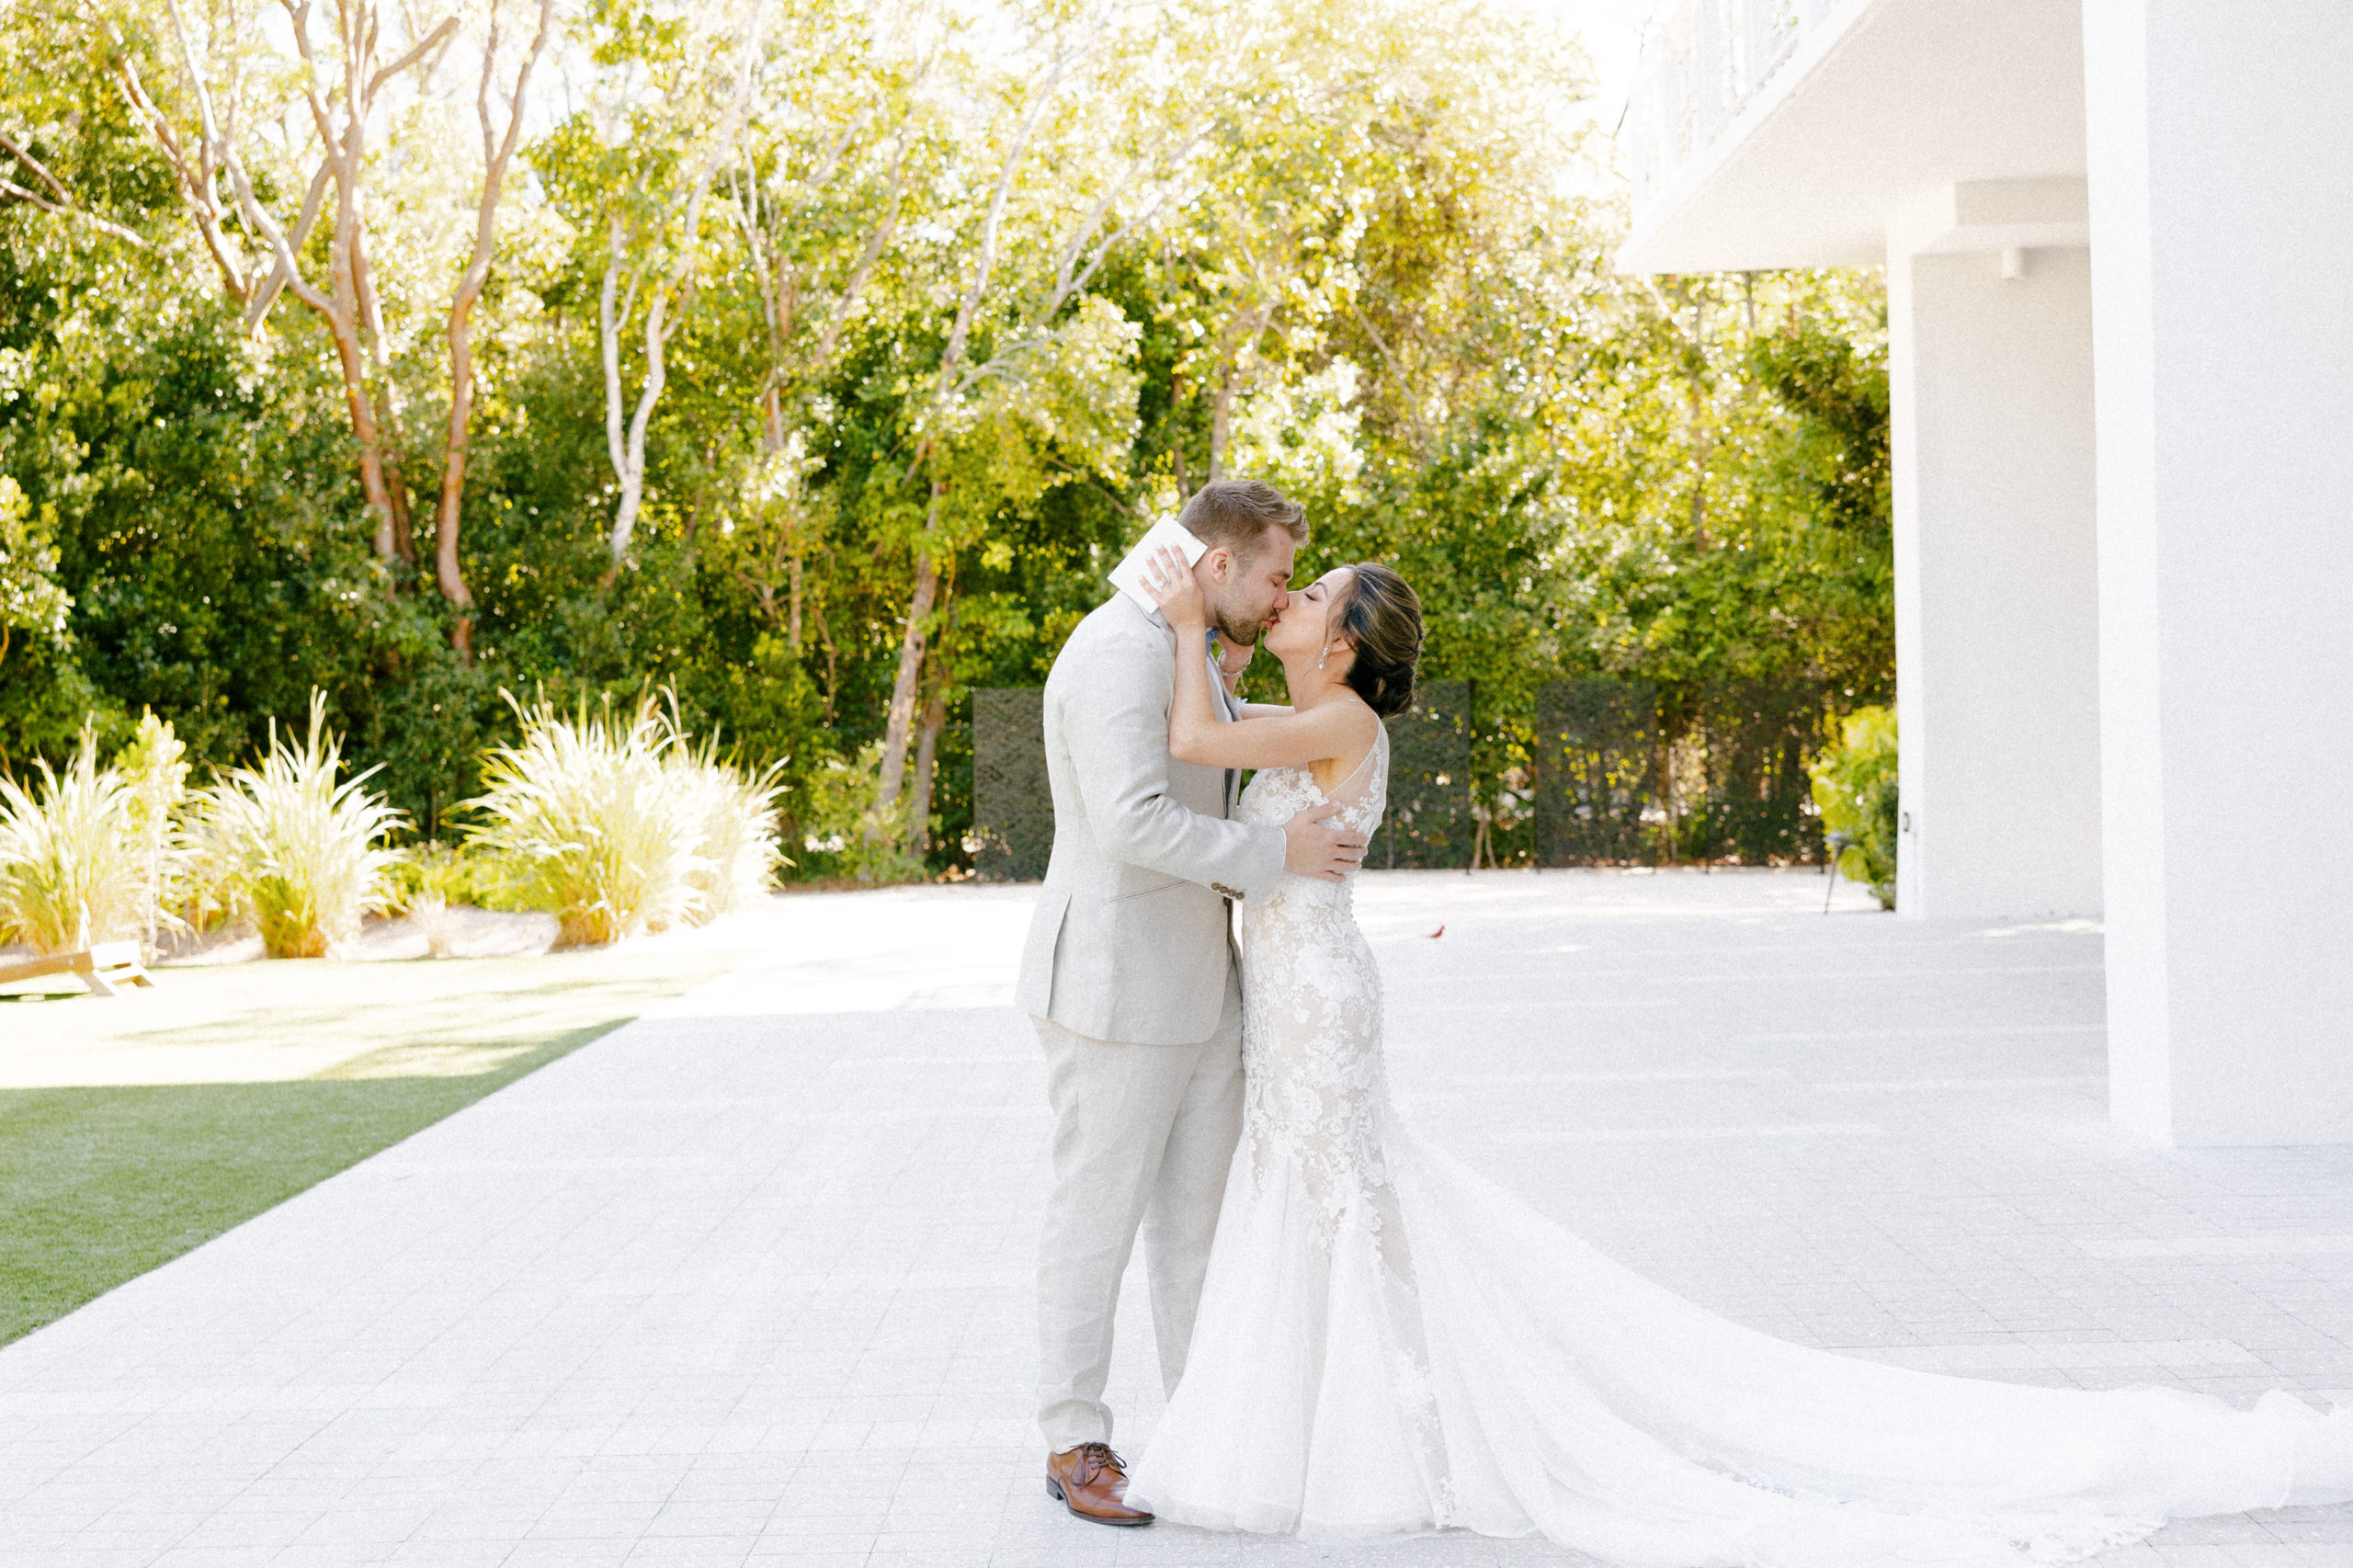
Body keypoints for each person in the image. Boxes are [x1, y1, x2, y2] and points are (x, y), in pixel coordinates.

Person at [1123, 543, 2353, 1566]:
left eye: (1313, 593)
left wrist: (1185, 622)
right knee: (1324, 1201)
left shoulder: (1330, 718)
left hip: (1318, 1004)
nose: (1289, 598)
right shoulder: (1312, 712)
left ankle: (1374, 1435)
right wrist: (1219, 643)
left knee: (1336, 1199)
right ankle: (1347, 1423)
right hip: (1297, 995)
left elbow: (1190, 727)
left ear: (1342, 646)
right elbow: (1225, 738)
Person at [1016, 478, 1370, 1527]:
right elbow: (1128, 821)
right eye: (1272, 576)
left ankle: (1205, 1424)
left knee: (1198, 1225)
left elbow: (1220, 761)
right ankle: (1074, 1436)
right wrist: (1278, 852)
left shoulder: (1187, 644)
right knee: (1097, 1216)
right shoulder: (1114, 653)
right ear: (1217, 565)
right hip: (1117, 985)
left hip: (1206, 981)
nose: (1279, 596)